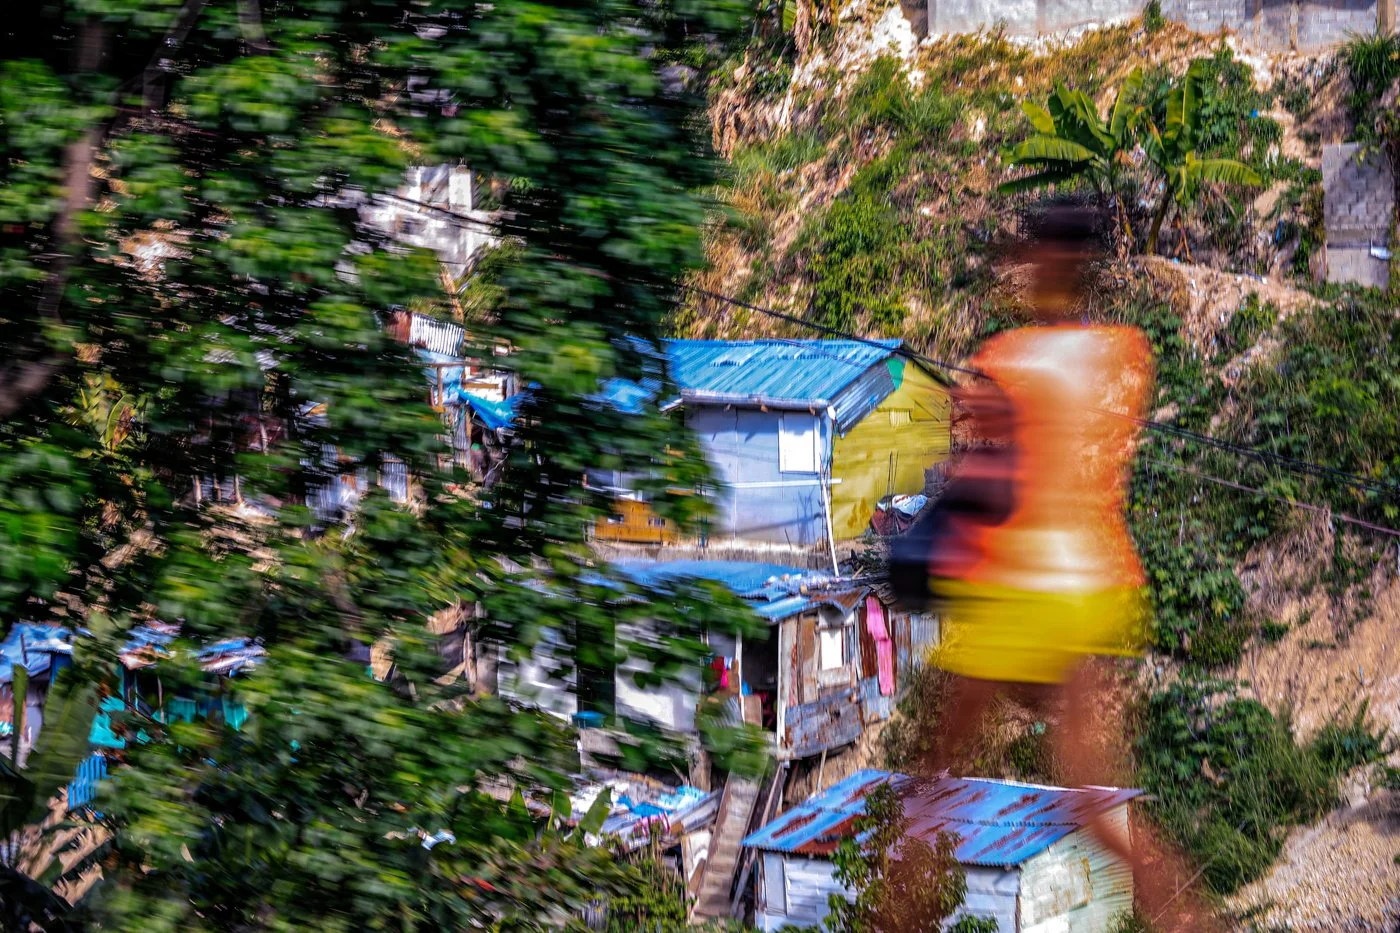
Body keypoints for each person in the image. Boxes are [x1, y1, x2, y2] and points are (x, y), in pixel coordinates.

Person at [923, 200, 1218, 931]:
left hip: (1019, 590)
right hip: (1102, 586)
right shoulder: (1124, 352)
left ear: (1045, 260)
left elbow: (974, 488)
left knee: (929, 788)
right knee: (1093, 801)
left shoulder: (1007, 360)